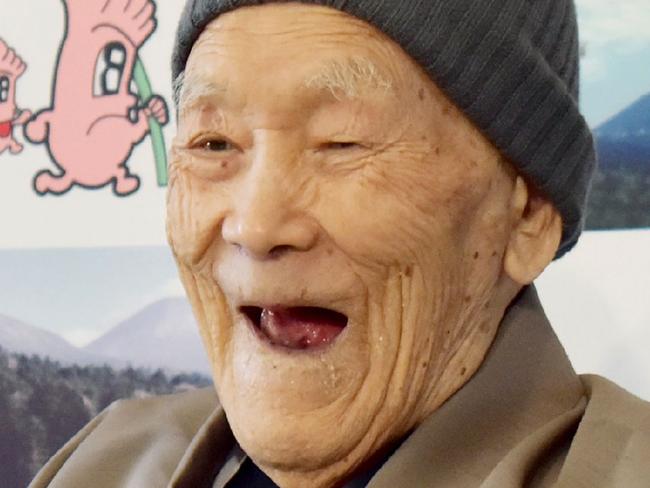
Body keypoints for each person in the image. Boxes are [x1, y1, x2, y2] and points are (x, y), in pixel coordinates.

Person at [29, 1, 650, 487]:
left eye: (342, 143)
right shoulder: (103, 462)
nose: (256, 225)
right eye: (213, 144)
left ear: (529, 217)